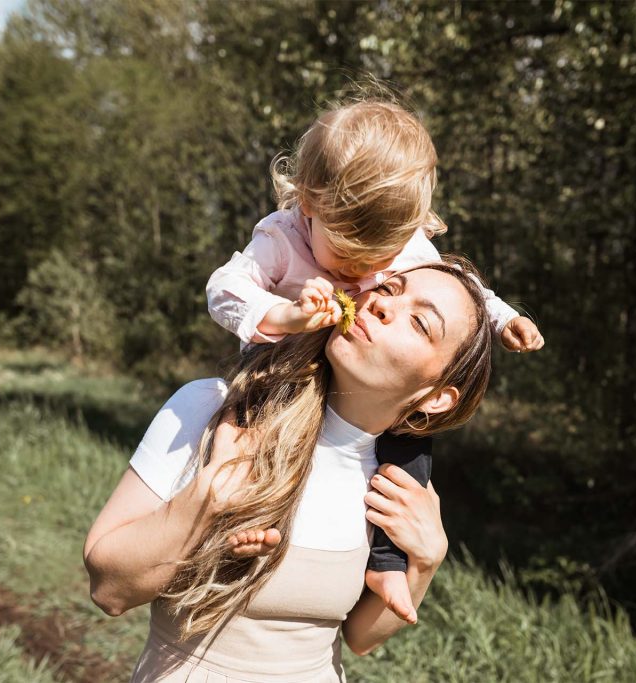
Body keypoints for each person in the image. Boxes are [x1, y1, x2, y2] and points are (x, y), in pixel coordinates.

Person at [205, 99, 544, 622]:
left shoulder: (401, 240)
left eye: (379, 260)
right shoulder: (281, 236)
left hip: (356, 380)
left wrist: (502, 320)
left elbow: (462, 289)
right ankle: (237, 518)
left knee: (407, 441)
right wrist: (281, 314)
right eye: (348, 255)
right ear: (310, 204)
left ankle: (386, 561)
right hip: (282, 366)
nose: (366, 270)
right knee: (245, 426)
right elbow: (223, 288)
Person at [85, 259, 495, 682]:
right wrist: (207, 498)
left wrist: (425, 564)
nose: (380, 306)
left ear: (437, 398)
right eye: (388, 289)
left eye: (420, 323)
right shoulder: (219, 411)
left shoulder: (399, 487)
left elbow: (360, 639)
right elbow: (109, 590)